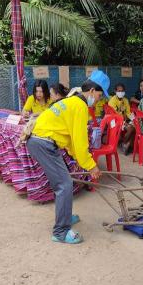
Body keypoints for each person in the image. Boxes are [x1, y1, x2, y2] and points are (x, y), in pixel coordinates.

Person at [26, 70, 110, 244]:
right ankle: (61, 231)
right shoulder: (80, 106)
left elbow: (72, 140)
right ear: (93, 91)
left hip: (41, 141)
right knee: (64, 184)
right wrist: (91, 166)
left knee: (62, 181)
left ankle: (64, 216)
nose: (99, 100)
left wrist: (83, 162)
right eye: (100, 95)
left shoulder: (72, 101)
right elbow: (80, 143)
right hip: (44, 143)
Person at [108, 83, 135, 155]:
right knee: (130, 128)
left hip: (123, 120)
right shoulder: (112, 101)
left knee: (134, 126)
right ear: (115, 91)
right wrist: (124, 122)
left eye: (122, 91)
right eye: (119, 91)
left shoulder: (125, 100)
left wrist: (133, 119)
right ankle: (124, 144)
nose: (121, 92)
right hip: (115, 121)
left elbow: (128, 112)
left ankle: (125, 144)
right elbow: (115, 115)